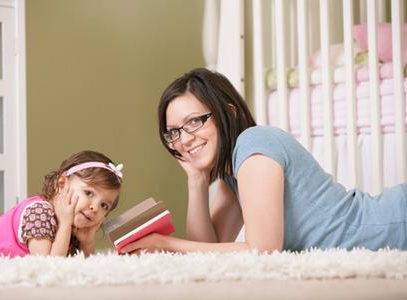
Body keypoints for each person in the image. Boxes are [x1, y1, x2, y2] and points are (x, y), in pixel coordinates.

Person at [120, 67, 407, 254]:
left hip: (391, 224)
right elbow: (207, 251)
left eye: (194, 122)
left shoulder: (254, 144)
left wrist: (164, 243)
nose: (184, 139)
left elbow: (263, 250)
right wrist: (195, 181)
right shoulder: (233, 173)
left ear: (228, 113)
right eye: (174, 132)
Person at [0, 150, 123, 258]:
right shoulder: (39, 212)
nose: (95, 207)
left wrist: (87, 242)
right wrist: (65, 225)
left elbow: (88, 271)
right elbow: (49, 266)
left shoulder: (74, 228)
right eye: (89, 193)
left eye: (104, 206)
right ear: (62, 184)